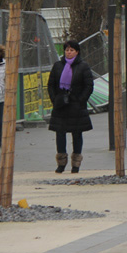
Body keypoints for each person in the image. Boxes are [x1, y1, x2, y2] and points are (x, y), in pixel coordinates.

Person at [47, 40, 95, 173]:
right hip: (60, 104)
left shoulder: (83, 66)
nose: (69, 52)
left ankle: (76, 163)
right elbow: (51, 84)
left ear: (77, 52)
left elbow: (89, 85)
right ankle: (61, 162)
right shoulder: (57, 66)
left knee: (77, 133)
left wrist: (81, 100)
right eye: (67, 50)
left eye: (71, 50)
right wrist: (55, 99)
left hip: (76, 105)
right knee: (60, 133)